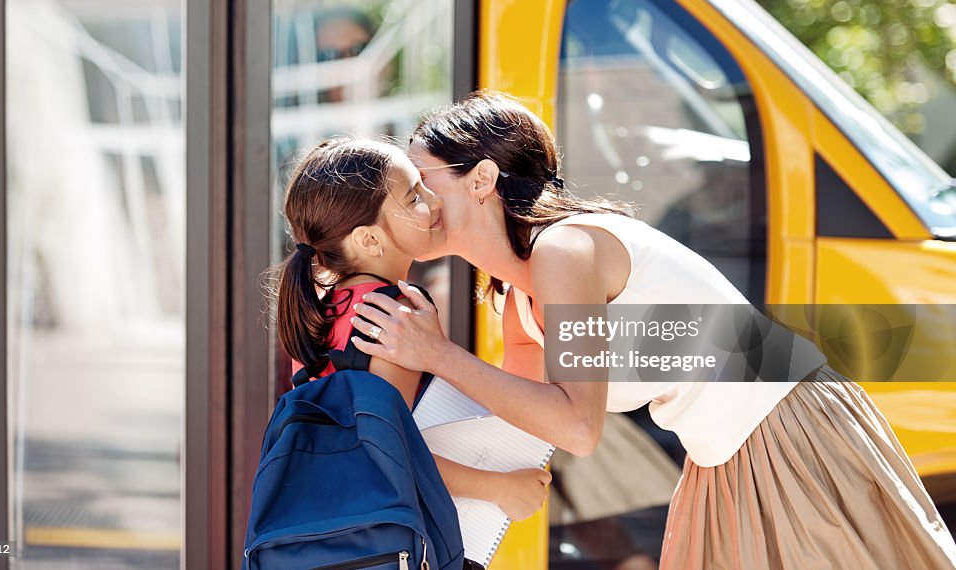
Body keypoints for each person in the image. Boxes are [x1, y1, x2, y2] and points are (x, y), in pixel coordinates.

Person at [348, 92, 956, 569]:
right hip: (726, 452)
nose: (418, 205)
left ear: (481, 180)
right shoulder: (518, 299)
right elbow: (516, 428)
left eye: (424, 183)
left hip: (787, 428)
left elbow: (576, 426)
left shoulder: (564, 250)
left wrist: (439, 355)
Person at [269, 136, 551, 523]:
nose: (435, 202)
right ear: (369, 239)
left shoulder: (325, 309)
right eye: (415, 197)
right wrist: (502, 489)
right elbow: (389, 452)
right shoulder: (392, 313)